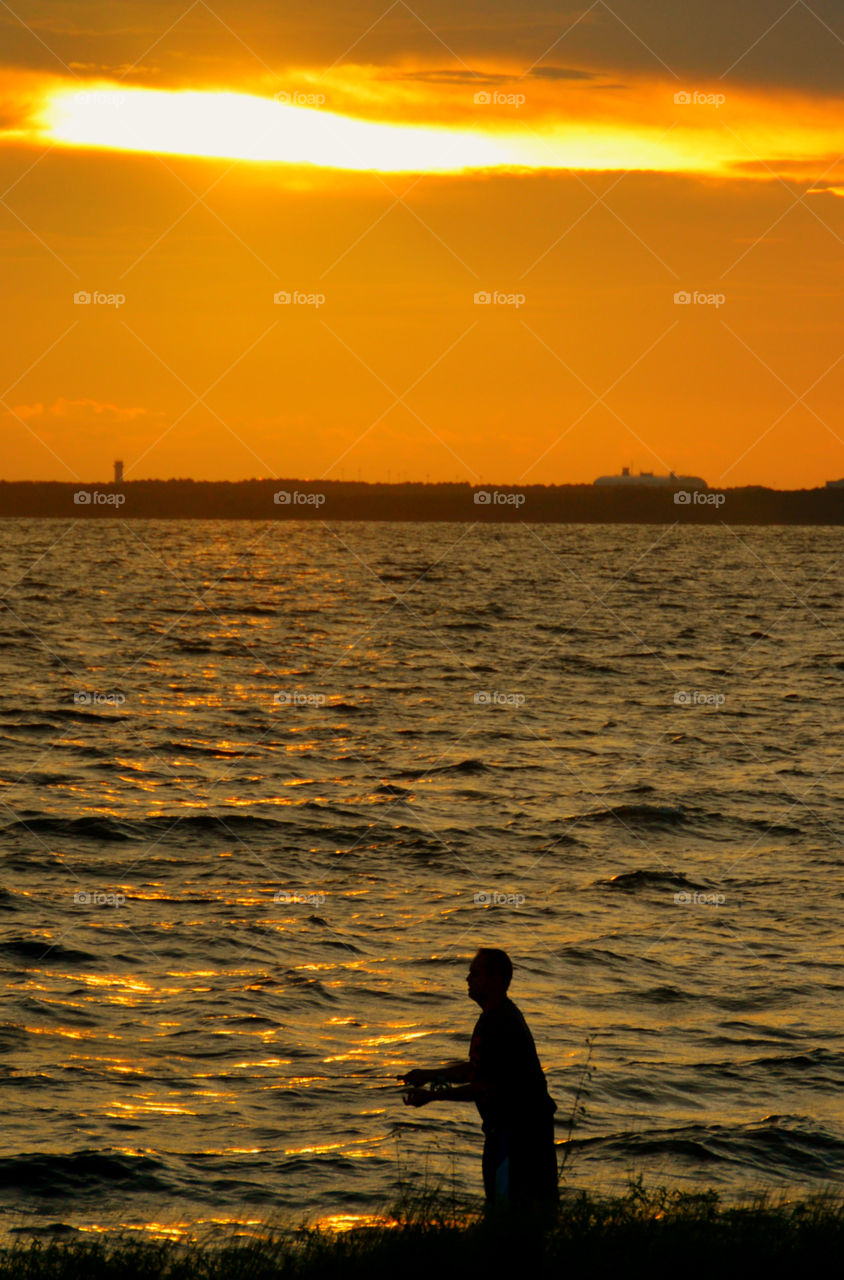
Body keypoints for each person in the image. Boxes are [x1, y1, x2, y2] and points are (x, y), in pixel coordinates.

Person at [399, 948, 558, 1215]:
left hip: (518, 1136)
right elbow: (476, 1069)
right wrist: (427, 1075)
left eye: (475, 973)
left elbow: (486, 1086)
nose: (467, 979)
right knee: (516, 1211)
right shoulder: (493, 1017)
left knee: (511, 1215)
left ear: (494, 980)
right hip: (512, 1132)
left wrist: (432, 1097)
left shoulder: (502, 1023)